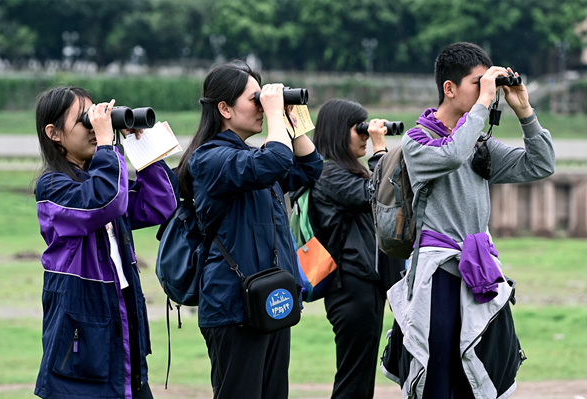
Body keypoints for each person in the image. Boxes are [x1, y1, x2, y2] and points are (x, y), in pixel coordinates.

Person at [382, 42, 556, 398]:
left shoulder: (478, 141)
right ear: (449, 88)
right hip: (438, 276)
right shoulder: (417, 142)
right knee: (436, 374)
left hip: (478, 271)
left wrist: (524, 110)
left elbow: (541, 164)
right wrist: (480, 107)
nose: (487, 93)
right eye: (478, 84)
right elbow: (452, 154)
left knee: (478, 374)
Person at [174, 60, 323, 399]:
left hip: (270, 298)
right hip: (233, 306)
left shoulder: (252, 159)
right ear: (224, 108)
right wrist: (273, 116)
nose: (261, 106)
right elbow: (275, 161)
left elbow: (311, 168)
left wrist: (290, 120)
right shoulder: (210, 158)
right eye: (254, 99)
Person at [33, 86, 179, 399]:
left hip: (122, 326)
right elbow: (105, 202)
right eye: (85, 120)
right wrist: (107, 145)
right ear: (54, 133)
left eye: (96, 118)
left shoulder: (102, 180)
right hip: (81, 343)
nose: (94, 126)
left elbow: (160, 203)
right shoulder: (52, 187)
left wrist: (140, 146)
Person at [304, 98, 406, 398]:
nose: (365, 134)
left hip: (364, 286)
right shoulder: (328, 172)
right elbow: (376, 195)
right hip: (350, 286)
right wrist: (380, 151)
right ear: (338, 132)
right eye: (358, 128)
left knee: (360, 382)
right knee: (353, 381)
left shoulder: (344, 171)